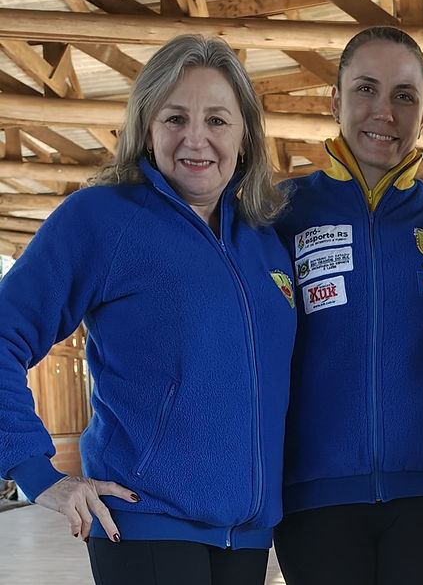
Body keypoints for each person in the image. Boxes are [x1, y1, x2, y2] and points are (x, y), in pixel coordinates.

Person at [0, 34, 297, 585]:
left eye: (217, 120)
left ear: (245, 137)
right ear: (146, 128)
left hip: (247, 536)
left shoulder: (265, 242)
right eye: (175, 118)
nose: (195, 138)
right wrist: (37, 474)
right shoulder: (101, 219)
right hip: (145, 526)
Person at [273, 26, 423, 585]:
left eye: (404, 96)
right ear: (334, 100)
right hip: (315, 492)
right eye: (366, 89)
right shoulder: (284, 212)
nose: (384, 112)